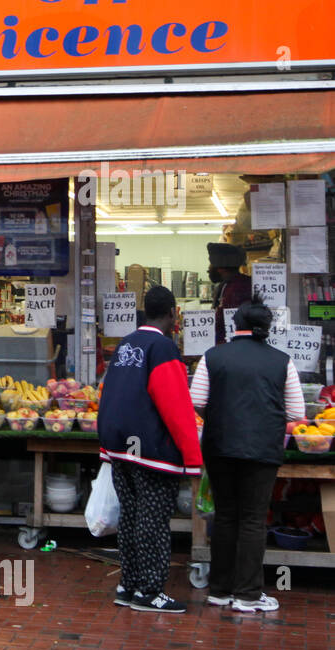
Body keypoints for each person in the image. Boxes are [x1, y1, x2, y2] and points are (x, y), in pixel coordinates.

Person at [190, 297, 304, 614]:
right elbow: (296, 411)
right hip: (263, 449)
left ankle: (220, 590)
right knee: (253, 519)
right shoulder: (282, 361)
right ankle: (248, 594)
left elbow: (196, 400)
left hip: (219, 446)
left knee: (225, 515)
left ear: (234, 325)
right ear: (266, 329)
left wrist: (222, 413)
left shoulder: (212, 356)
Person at [96, 285, 203, 613]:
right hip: (151, 449)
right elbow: (176, 406)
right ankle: (150, 591)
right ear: (173, 313)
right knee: (153, 520)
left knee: (130, 516)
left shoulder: (126, 344)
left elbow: (108, 394)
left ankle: (128, 584)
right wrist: (193, 458)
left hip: (119, 447)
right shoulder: (164, 348)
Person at [207, 242, 252, 345]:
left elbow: (225, 322)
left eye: (211, 264)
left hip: (235, 347)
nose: (208, 270)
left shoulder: (238, 288)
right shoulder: (226, 285)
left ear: (220, 267)